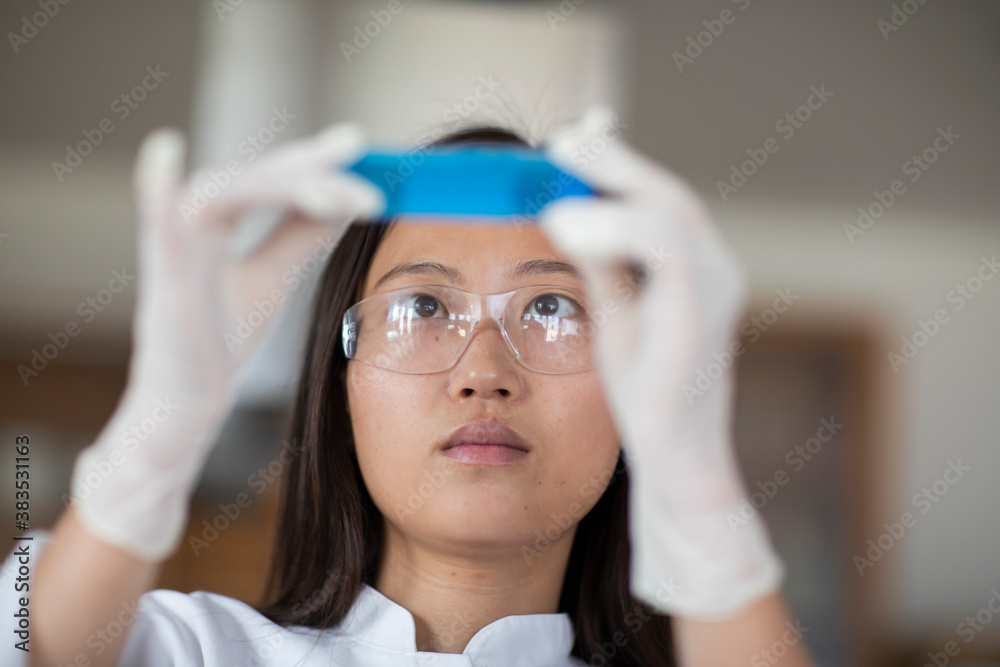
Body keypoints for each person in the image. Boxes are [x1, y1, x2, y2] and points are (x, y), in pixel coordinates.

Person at [3, 106, 815, 666]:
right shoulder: (196, 650)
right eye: (424, 305)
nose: (484, 374)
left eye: (554, 309)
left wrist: (701, 497)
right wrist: (158, 428)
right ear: (341, 381)